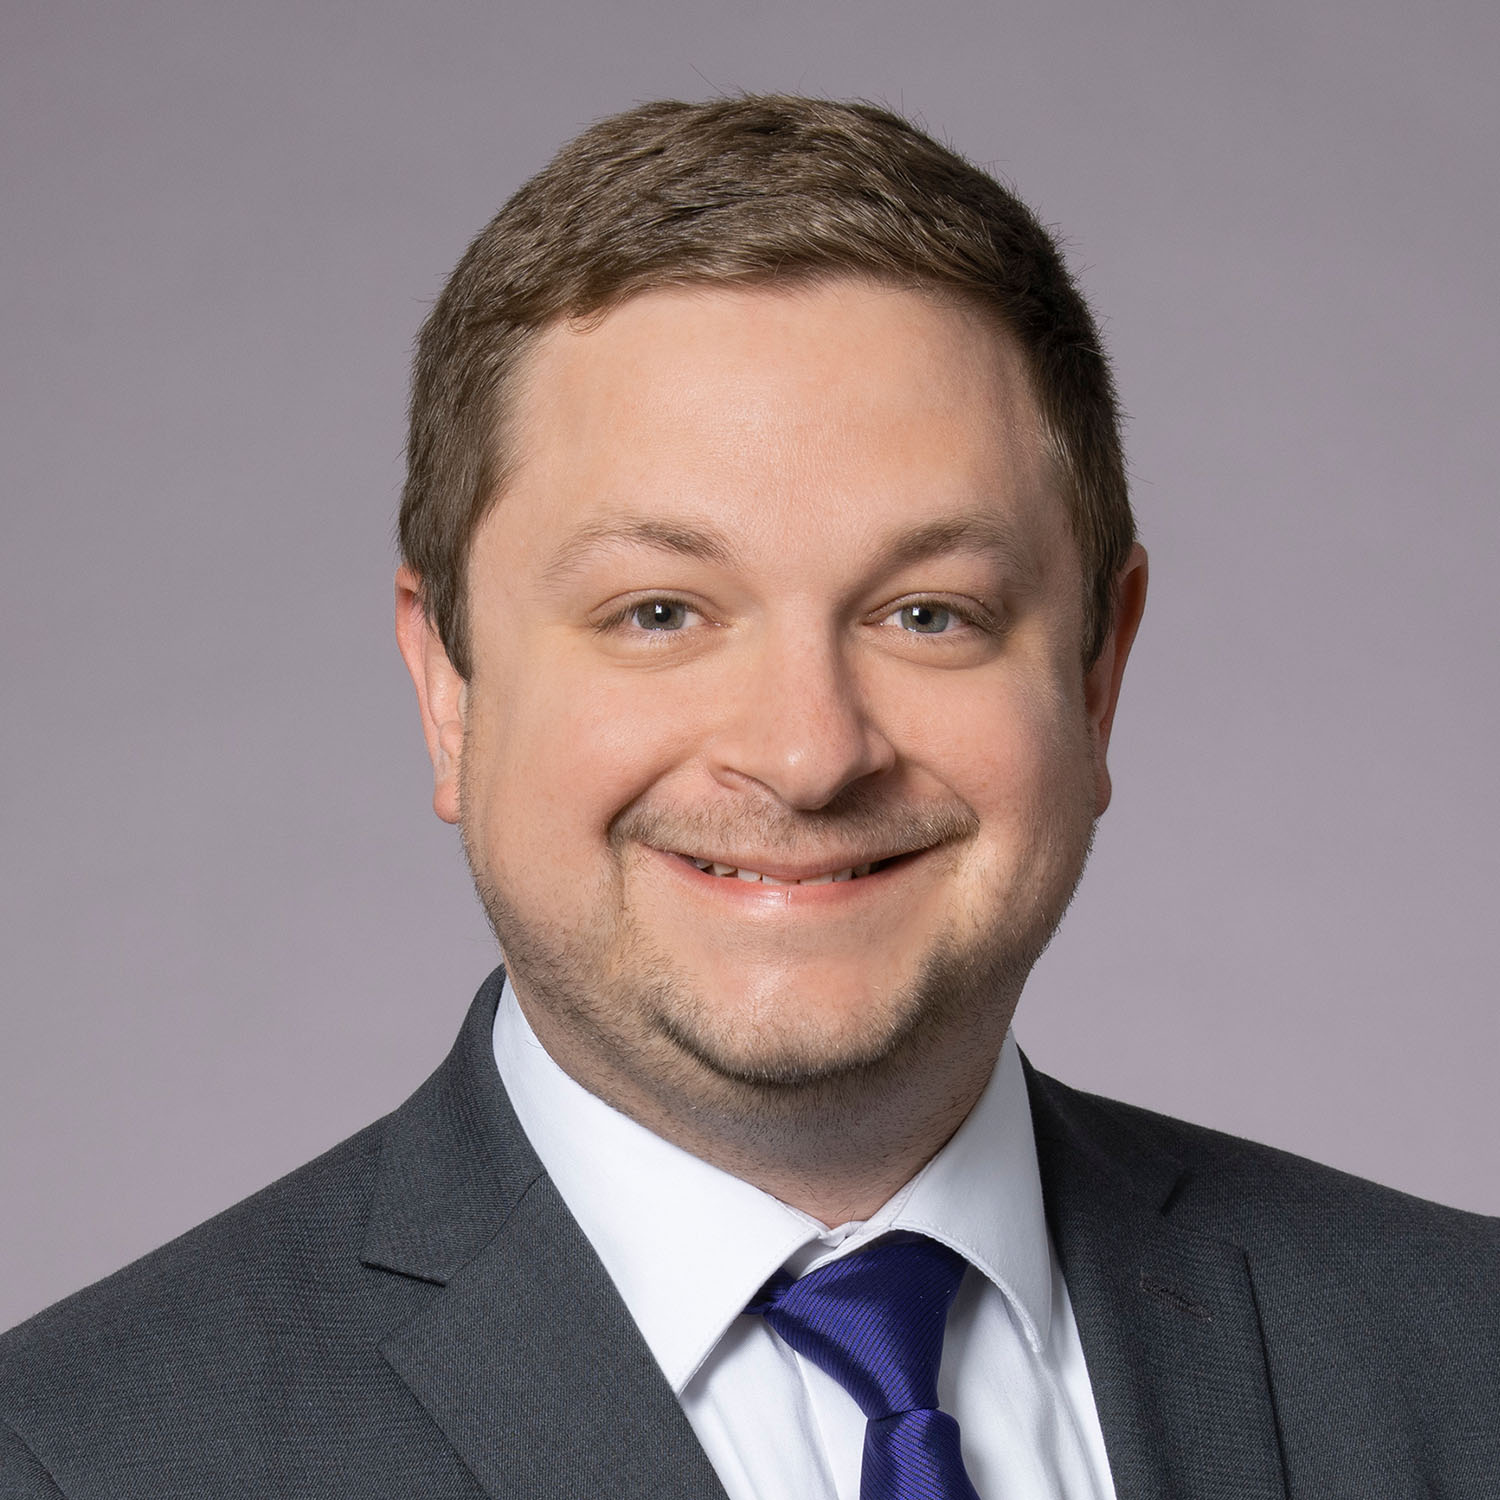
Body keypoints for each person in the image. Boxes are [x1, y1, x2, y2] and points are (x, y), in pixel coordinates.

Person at [1, 95, 1494, 1500]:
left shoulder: (1461, 1360)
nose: (806, 753)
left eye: (930, 613)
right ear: (447, 686)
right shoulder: (83, 1456)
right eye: (660, 612)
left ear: (1098, 678)